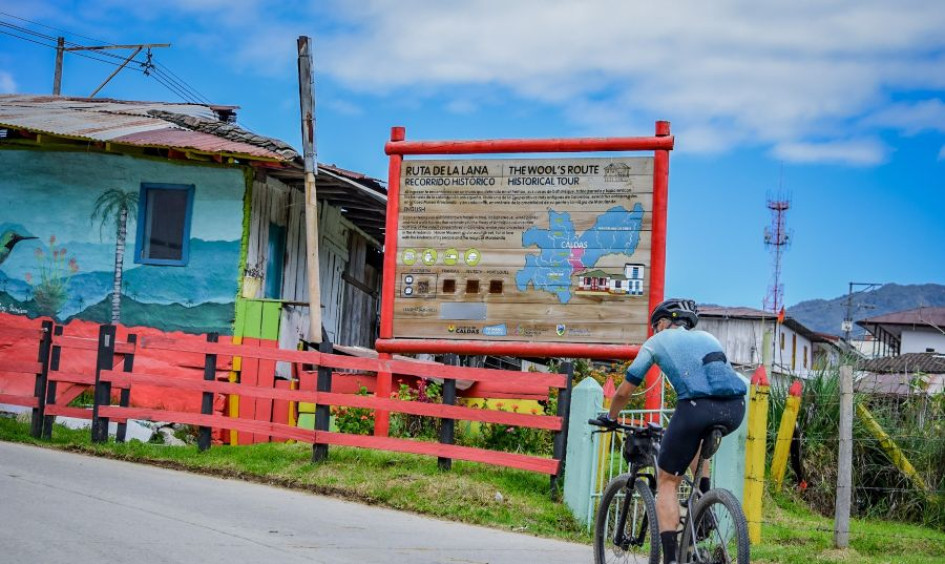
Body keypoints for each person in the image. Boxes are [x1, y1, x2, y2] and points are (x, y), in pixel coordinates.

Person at [596, 298, 748, 564]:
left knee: (667, 482)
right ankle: (704, 505)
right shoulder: (709, 338)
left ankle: (670, 559)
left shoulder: (656, 342)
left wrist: (610, 417)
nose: (654, 331)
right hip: (735, 408)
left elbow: (625, 390)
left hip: (694, 407)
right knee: (696, 442)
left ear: (664, 322)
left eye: (655, 326)